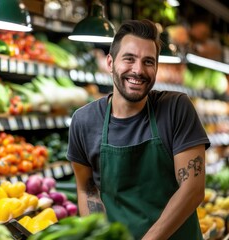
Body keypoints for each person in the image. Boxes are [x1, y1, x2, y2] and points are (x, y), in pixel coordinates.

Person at [67, 19, 210, 239]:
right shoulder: (84, 121)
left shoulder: (175, 108)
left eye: (148, 62)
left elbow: (192, 189)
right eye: (129, 59)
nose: (138, 70)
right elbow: (87, 190)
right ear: (110, 62)